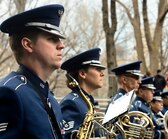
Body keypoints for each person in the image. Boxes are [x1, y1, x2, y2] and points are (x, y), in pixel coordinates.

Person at [0, 4, 65, 139]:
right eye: (52, 39)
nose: (61, 45)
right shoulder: (11, 92)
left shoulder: (51, 99)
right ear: (28, 44)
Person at [59, 48, 106, 139]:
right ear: (82, 73)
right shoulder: (71, 103)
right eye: (97, 69)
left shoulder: (87, 100)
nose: (102, 74)